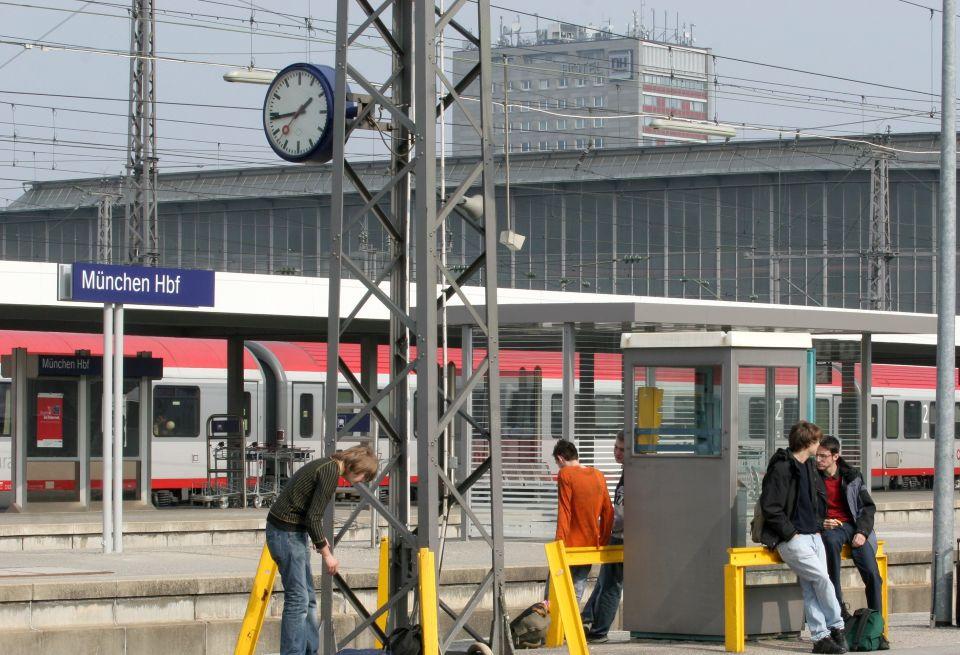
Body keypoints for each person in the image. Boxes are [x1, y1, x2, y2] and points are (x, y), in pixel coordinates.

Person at [265, 445, 379, 655]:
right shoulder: (329, 473)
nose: (362, 481)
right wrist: (327, 555)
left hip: (288, 532)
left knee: (307, 597)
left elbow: (308, 513)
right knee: (298, 599)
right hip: (287, 535)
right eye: (364, 476)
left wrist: (320, 541)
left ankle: (309, 651)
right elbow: (313, 517)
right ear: (357, 467)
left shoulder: (326, 464)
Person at [758, 421, 847, 654]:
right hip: (792, 539)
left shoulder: (807, 466)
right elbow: (771, 507)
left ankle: (820, 639)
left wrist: (818, 526)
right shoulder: (782, 468)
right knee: (822, 580)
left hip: (813, 535)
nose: (819, 446)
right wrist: (791, 533)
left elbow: (814, 501)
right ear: (808, 443)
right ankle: (837, 626)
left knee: (811, 587)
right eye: (817, 441)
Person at [815, 436, 886, 633]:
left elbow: (868, 507)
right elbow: (803, 510)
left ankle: (875, 624)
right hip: (831, 529)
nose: (818, 460)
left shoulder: (852, 476)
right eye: (817, 456)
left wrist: (862, 532)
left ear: (835, 456)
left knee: (873, 574)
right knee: (830, 548)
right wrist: (821, 523)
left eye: (823, 456)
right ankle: (838, 611)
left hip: (854, 527)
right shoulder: (812, 479)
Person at [552, 439, 614, 602]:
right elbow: (608, 511)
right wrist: (603, 539)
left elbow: (564, 511)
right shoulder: (598, 475)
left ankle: (552, 625)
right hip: (590, 544)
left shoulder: (565, 474)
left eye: (558, 463)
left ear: (560, 459)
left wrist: (559, 542)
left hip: (569, 543)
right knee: (577, 590)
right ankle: (570, 625)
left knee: (554, 591)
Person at [580, 430, 625, 644]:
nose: (617, 453)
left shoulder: (631, 476)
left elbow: (623, 513)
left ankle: (598, 631)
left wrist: (606, 525)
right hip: (616, 534)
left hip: (621, 536)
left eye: (622, 450)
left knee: (610, 584)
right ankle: (587, 620)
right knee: (603, 581)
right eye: (616, 447)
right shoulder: (628, 472)